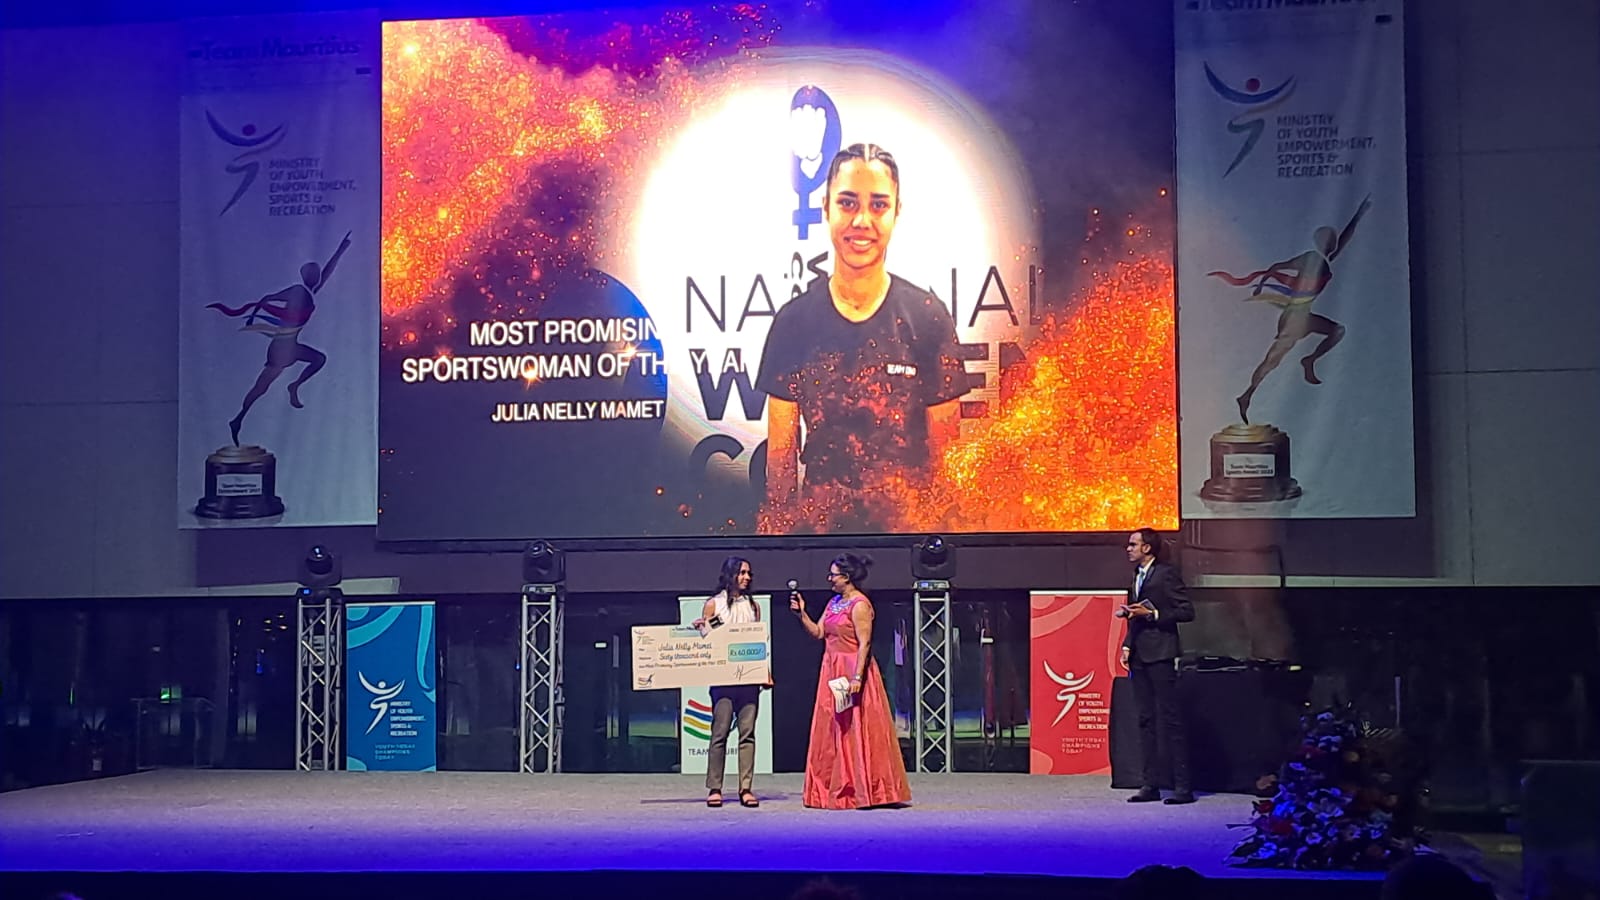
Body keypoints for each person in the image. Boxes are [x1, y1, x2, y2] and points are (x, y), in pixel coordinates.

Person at [757, 143, 973, 527]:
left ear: (896, 212)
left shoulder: (927, 318)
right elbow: (780, 477)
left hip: (907, 540)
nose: (861, 220)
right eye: (847, 203)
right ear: (825, 208)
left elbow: (947, 473)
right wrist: (784, 551)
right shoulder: (793, 323)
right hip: (821, 543)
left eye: (878, 205)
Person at [1206, 197, 1370, 424]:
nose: (1333, 243)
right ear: (1320, 242)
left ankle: (1309, 360)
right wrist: (1262, 284)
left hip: (1305, 317)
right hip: (1293, 318)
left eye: (1333, 240)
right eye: (1329, 239)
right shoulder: (1310, 258)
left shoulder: (1325, 260)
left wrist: (1358, 216)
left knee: (1337, 331)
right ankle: (1246, 395)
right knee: (1272, 361)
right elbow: (1278, 266)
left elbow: (1343, 242)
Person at [207, 231, 352, 445]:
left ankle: (294, 386)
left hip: (291, 346)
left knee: (319, 359)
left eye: (317, 273)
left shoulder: (310, 292)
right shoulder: (297, 291)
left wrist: (341, 250)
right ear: (306, 276)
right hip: (281, 349)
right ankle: (238, 419)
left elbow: (327, 272)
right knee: (261, 387)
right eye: (314, 273)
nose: (318, 276)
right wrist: (257, 311)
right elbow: (271, 298)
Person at [790, 552, 911, 809]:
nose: (829, 579)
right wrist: (802, 614)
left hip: (852, 668)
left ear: (846, 577)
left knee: (857, 727)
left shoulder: (859, 605)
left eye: (833, 575)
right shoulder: (833, 603)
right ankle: (835, 786)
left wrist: (857, 677)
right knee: (833, 728)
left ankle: (863, 789)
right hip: (832, 670)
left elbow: (864, 643)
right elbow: (819, 632)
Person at [1120, 528, 1196, 805]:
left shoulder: (1166, 574)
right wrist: (1128, 644)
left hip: (1161, 653)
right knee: (1145, 719)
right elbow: (1136, 615)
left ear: (1147, 548)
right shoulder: (1136, 575)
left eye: (1133, 544)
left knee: (1171, 720)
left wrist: (1153, 614)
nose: (1128, 549)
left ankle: (1183, 787)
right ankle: (1150, 784)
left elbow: (1186, 611)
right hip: (1140, 654)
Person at [692, 556, 763, 808]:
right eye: (742, 573)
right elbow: (706, 639)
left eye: (748, 573)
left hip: (749, 679)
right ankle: (715, 787)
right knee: (720, 732)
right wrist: (699, 628)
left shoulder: (753, 606)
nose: (746, 577)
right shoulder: (714, 604)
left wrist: (764, 672)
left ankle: (746, 787)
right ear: (730, 574)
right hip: (722, 678)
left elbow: (759, 642)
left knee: (747, 733)